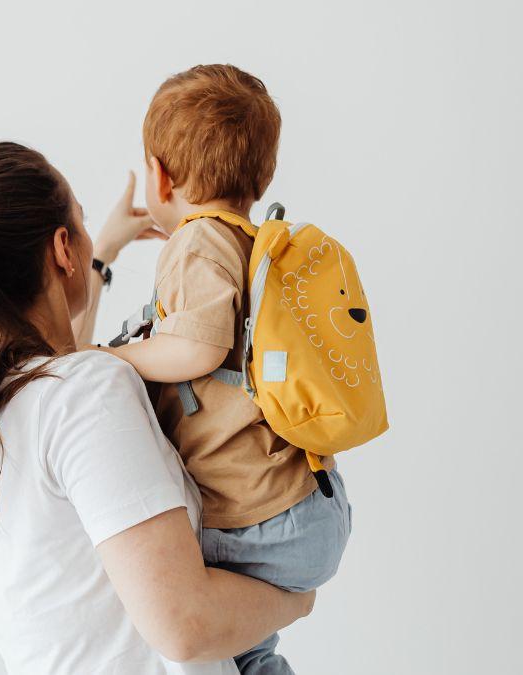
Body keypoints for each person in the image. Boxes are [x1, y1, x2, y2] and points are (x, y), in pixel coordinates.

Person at [0, 141, 316, 674]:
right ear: (63, 249)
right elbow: (184, 624)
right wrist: (296, 595)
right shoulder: (85, 394)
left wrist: (101, 253)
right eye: (78, 224)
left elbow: (62, 366)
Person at [97, 65, 353, 674]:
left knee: (146, 573)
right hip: (304, 503)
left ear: (159, 175)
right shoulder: (245, 240)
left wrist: (110, 358)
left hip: (257, 519)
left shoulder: (195, 240)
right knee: (247, 654)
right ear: (259, 176)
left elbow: (199, 348)